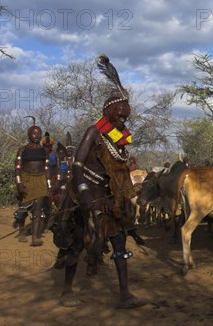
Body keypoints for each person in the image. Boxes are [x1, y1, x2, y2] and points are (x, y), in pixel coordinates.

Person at [52, 55, 146, 308]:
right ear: (108, 110)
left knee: (119, 243)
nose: (124, 118)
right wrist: (83, 194)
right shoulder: (94, 132)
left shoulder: (118, 139)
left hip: (110, 199)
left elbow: (119, 168)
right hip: (87, 197)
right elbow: (77, 165)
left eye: (126, 115)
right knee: (79, 241)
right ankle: (67, 290)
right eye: (120, 113)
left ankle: (125, 295)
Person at [13, 117, 52, 246]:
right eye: (34, 133)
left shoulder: (43, 150)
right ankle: (22, 231)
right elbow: (18, 168)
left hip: (40, 180)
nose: (37, 135)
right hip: (26, 179)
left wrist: (49, 185)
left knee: (38, 210)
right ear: (29, 135)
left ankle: (35, 237)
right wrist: (19, 183)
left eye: (39, 133)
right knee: (23, 208)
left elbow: (46, 168)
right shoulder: (22, 150)